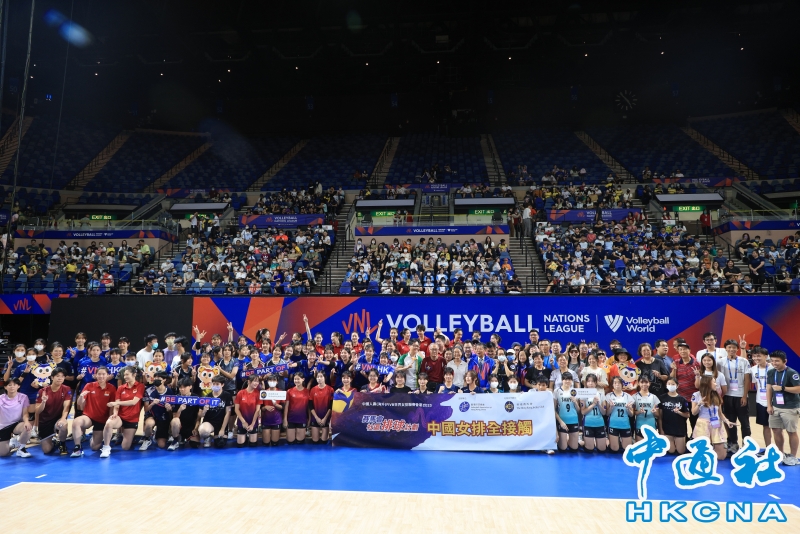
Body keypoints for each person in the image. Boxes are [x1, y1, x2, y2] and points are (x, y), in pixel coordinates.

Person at [71, 366, 117, 457]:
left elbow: (112, 407)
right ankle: (77, 448)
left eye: (103, 374)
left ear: (107, 375)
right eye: (99, 374)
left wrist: (109, 421)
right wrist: (81, 397)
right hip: (89, 417)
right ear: (95, 375)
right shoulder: (89, 385)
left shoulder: (112, 388)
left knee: (95, 447)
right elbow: (79, 403)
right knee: (76, 422)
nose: (101, 376)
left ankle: (95, 436)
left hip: (102, 420)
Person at [100, 366, 145, 457]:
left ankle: (124, 435)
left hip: (132, 419)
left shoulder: (140, 386)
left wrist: (116, 403)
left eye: (127, 374)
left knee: (125, 447)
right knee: (109, 423)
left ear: (134, 375)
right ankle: (106, 447)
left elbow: (133, 402)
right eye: (124, 375)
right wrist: (115, 413)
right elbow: (117, 404)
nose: (125, 377)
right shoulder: (121, 388)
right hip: (120, 417)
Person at [717, 339, 751, 454]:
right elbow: (718, 378)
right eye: (729, 347)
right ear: (725, 349)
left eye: (734, 347)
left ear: (737, 349)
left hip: (740, 396)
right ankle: (733, 443)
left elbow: (747, 379)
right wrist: (720, 396)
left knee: (744, 422)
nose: (731, 349)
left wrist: (744, 396)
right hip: (727, 396)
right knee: (730, 421)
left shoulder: (743, 361)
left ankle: (747, 445)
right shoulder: (720, 362)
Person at [766, 350, 800, 466]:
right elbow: (769, 389)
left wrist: (783, 388)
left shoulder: (792, 373)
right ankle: (780, 454)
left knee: (791, 431)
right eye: (772, 361)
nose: (774, 363)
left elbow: (798, 389)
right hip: (775, 407)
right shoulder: (771, 372)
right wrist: (769, 405)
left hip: (790, 407)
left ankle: (793, 456)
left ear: (785, 361)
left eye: (777, 361)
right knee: (776, 430)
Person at [691, 375, 737, 461]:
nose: (716, 384)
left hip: (716, 424)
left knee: (721, 456)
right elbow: (693, 412)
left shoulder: (716, 395)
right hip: (703, 424)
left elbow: (720, 413)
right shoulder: (696, 395)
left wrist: (727, 421)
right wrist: (699, 404)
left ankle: (712, 450)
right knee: (702, 455)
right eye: (714, 382)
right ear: (707, 383)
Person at [34, 367, 72, 455]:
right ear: (52, 377)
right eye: (57, 376)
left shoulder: (66, 389)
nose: (60, 378)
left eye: (62, 376)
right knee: (46, 450)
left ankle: (62, 443)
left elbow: (66, 407)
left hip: (58, 419)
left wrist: (63, 419)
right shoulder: (42, 391)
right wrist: (43, 402)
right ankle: (54, 441)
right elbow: (37, 411)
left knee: (63, 425)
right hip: (45, 421)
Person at [140, 372, 174, 450]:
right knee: (149, 424)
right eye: (155, 378)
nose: (156, 380)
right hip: (151, 415)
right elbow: (146, 409)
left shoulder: (170, 392)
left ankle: (159, 433)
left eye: (158, 378)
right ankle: (147, 438)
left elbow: (172, 410)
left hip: (163, 417)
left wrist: (169, 409)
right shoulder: (148, 391)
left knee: (161, 445)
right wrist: (152, 404)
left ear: (164, 380)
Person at [0, 378, 33, 458]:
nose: (12, 387)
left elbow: (25, 413)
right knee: (3, 453)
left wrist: (26, 422)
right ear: (5, 387)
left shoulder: (23, 397)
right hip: (3, 426)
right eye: (9, 385)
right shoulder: (1, 398)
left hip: (16, 424)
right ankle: (13, 445)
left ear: (18, 386)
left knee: (27, 427)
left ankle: (21, 449)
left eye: (14, 385)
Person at [670, 342, 700, 431]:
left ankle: (694, 438)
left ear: (689, 350)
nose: (683, 351)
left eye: (685, 349)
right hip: (681, 398)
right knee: (681, 422)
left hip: (693, 398)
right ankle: (684, 438)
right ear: (678, 351)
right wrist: (674, 369)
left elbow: (699, 380)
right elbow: (672, 379)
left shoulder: (696, 363)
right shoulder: (676, 362)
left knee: (694, 422)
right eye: (680, 349)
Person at [198, 375, 233, 448]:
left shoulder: (227, 395)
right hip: (209, 422)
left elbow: (228, 413)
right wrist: (204, 410)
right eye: (213, 384)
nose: (215, 386)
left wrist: (222, 429)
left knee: (220, 444)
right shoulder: (207, 397)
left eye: (217, 384)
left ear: (222, 385)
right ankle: (207, 437)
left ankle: (217, 435)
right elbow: (200, 415)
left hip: (221, 422)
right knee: (203, 431)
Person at [168, 378, 202, 451]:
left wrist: (196, 428)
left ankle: (184, 438)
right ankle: (176, 439)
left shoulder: (196, 398)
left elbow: (198, 417)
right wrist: (180, 409)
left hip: (191, 425)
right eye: (180, 387)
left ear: (190, 386)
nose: (182, 389)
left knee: (194, 444)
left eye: (184, 387)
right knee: (175, 421)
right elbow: (175, 417)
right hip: (179, 425)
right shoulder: (176, 398)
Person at [749, 347, 773, 449]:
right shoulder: (753, 369)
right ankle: (768, 448)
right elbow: (756, 384)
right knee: (765, 426)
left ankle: (779, 450)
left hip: (774, 402)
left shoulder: (773, 368)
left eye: (759, 356)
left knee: (777, 428)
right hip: (761, 401)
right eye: (754, 356)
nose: (756, 358)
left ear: (766, 356)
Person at [659, 377, 690, 455]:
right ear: (666, 385)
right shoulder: (662, 398)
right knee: (671, 451)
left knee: (681, 451)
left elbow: (687, 415)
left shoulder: (682, 399)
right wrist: (661, 430)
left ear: (677, 385)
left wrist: (679, 412)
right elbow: (660, 416)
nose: (670, 385)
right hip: (667, 429)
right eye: (669, 384)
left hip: (680, 429)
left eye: (673, 384)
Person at [580, 374, 607, 452]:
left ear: (596, 383)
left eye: (592, 381)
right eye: (589, 381)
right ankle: (582, 441)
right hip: (588, 423)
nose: (591, 383)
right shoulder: (583, 394)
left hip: (599, 423)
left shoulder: (601, 394)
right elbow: (583, 412)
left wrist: (598, 404)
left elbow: (604, 412)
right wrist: (593, 404)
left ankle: (593, 441)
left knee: (602, 450)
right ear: (586, 383)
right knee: (589, 449)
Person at [607, 376, 634, 453]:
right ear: (612, 385)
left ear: (622, 384)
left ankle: (621, 441)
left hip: (625, 424)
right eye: (615, 383)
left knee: (627, 450)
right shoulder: (608, 396)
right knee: (614, 449)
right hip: (613, 424)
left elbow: (631, 415)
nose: (617, 384)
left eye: (619, 382)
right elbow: (607, 413)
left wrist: (628, 408)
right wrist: (611, 407)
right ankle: (612, 443)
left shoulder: (628, 396)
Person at [554, 373, 580, 452]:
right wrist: (560, 422)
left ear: (572, 381)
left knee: (574, 449)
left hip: (573, 420)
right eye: (565, 379)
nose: (567, 381)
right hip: (562, 420)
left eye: (569, 379)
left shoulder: (574, 391)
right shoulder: (557, 391)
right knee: (563, 449)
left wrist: (575, 402)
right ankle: (566, 438)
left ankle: (574, 439)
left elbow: (579, 410)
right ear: (562, 380)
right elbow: (553, 409)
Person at [234, 375, 261, 447]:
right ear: (249, 382)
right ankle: (245, 436)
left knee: (253, 445)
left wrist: (252, 424)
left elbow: (257, 410)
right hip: (242, 422)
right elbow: (236, 409)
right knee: (240, 445)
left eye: (257, 381)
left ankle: (249, 435)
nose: (257, 383)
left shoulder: (258, 393)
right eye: (255, 381)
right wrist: (243, 422)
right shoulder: (240, 393)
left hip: (253, 422)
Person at [632, 375, 660, 442]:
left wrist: (654, 412)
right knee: (640, 447)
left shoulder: (654, 397)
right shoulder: (634, 397)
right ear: (638, 383)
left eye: (646, 382)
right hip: (639, 425)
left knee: (651, 447)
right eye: (642, 382)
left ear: (649, 383)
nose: (644, 384)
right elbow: (632, 413)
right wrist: (639, 412)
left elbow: (658, 415)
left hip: (651, 426)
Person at [284, 373, 310, 444]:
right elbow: (286, 406)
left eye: (298, 379)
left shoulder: (307, 391)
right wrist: (285, 419)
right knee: (290, 441)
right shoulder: (289, 391)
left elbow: (309, 407)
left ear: (303, 379)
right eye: (295, 379)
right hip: (291, 418)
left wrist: (309, 418)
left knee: (300, 441)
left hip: (302, 419)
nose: (296, 381)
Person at [309, 371, 333, 444]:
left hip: (326, 418)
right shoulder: (313, 389)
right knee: (315, 441)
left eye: (321, 376)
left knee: (324, 441)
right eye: (318, 377)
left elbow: (331, 406)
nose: (319, 378)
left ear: (324, 378)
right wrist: (316, 418)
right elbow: (310, 406)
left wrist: (325, 418)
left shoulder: (330, 389)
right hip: (315, 417)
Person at [260, 374, 284, 447]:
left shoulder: (281, 392)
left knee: (275, 443)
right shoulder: (264, 393)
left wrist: (276, 405)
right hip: (266, 420)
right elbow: (261, 408)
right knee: (266, 443)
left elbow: (283, 407)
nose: (272, 382)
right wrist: (265, 407)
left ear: (277, 382)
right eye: (270, 380)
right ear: (267, 381)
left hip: (276, 420)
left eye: (274, 380)